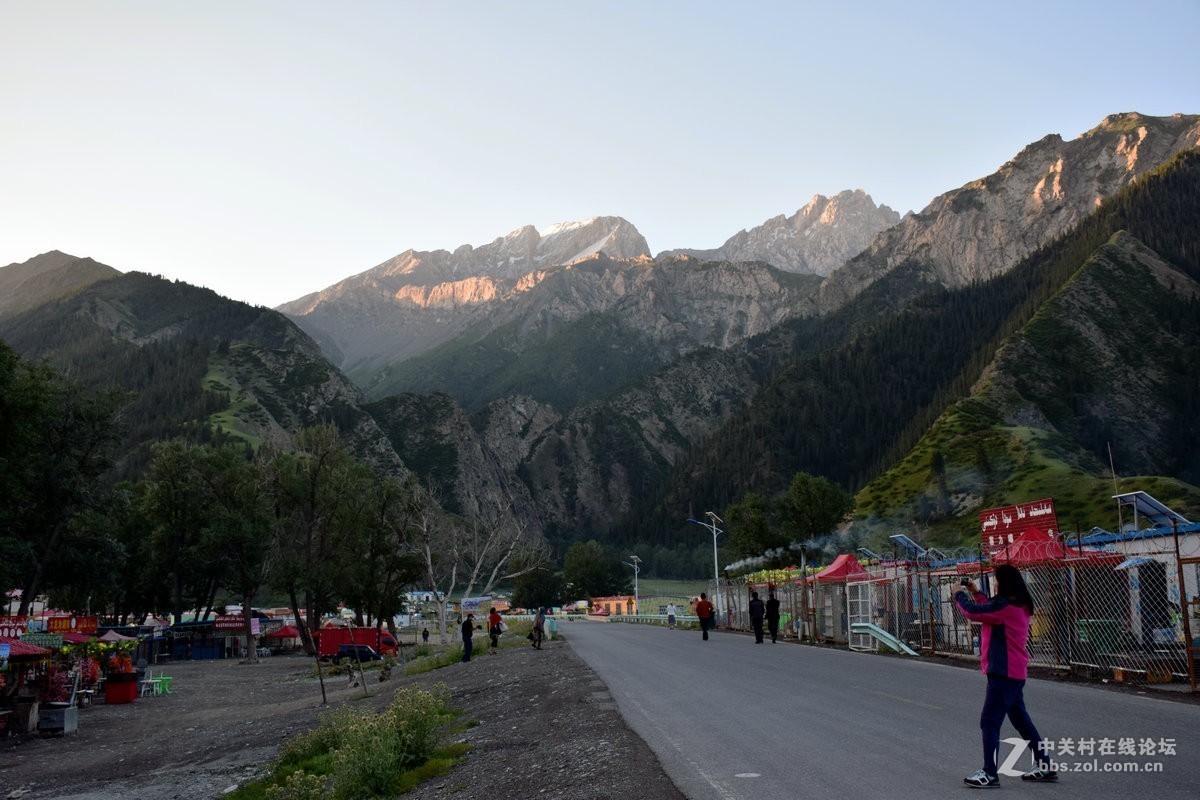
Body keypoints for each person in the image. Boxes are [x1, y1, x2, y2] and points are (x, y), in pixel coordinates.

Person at [953, 565, 1055, 788]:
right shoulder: (1017, 604)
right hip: (1014, 673)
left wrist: (958, 594)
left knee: (989, 721)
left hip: (1003, 673)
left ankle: (989, 773)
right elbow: (988, 609)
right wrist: (976, 592)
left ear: (1004, 583)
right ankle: (1044, 764)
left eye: (996, 580)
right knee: (1021, 720)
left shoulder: (1005, 606)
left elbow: (973, 612)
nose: (995, 584)